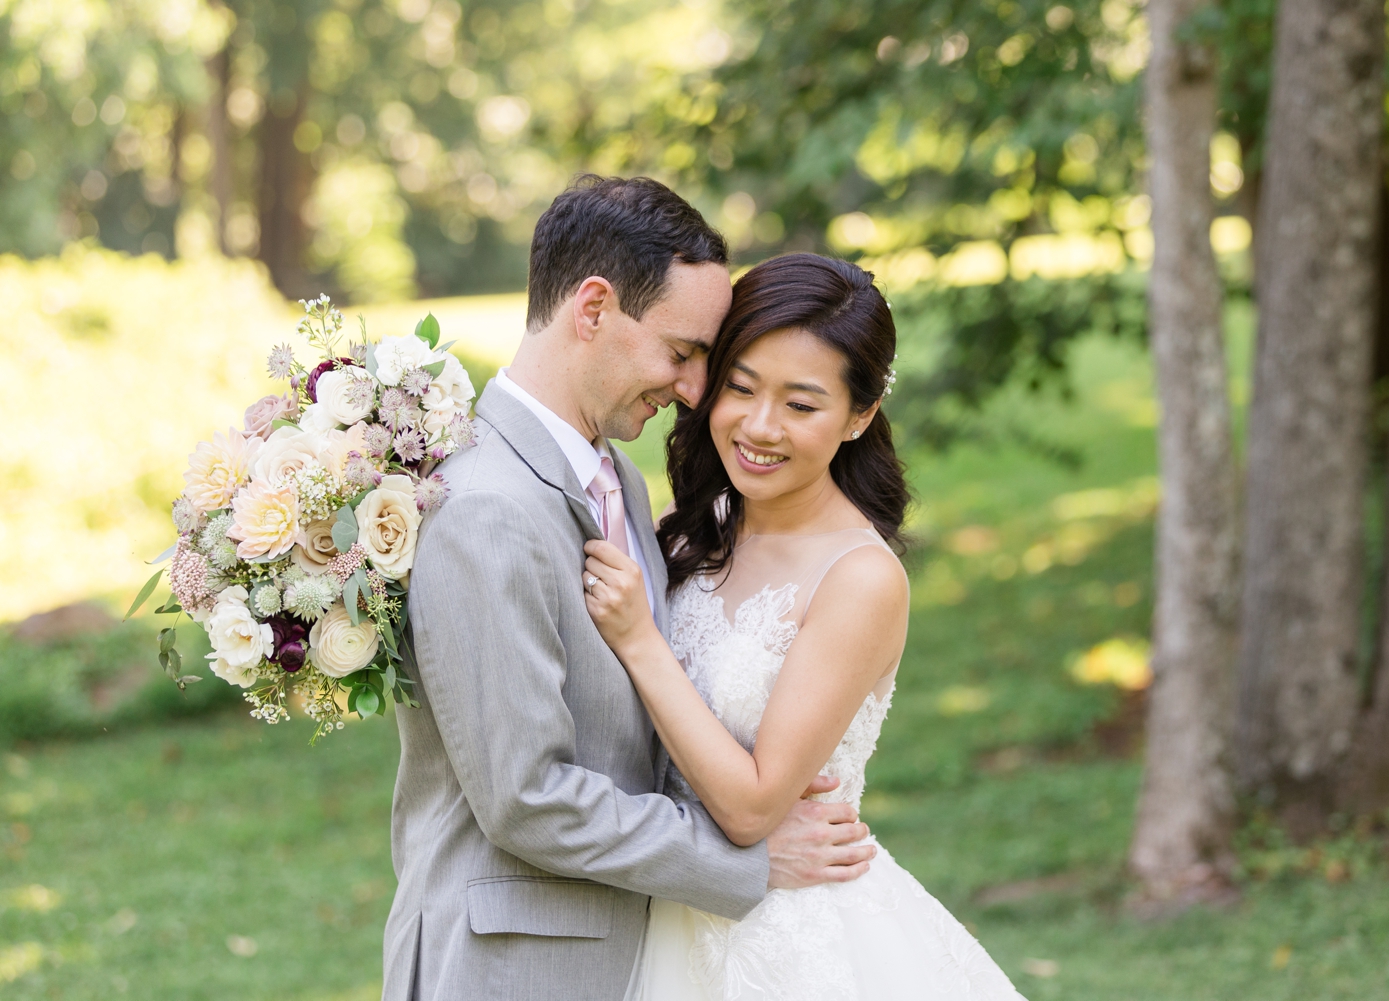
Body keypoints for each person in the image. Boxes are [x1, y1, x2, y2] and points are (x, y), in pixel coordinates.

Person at [384, 179, 876, 1001]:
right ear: (593, 309)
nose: (694, 391)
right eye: (682, 353)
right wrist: (743, 858)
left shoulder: (617, 479)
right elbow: (528, 797)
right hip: (513, 971)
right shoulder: (486, 510)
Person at [582, 253, 1026, 1000]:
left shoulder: (860, 578)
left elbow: (754, 805)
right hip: (671, 906)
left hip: (789, 938)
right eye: (741, 387)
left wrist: (639, 641)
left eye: (801, 404)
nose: (759, 427)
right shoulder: (692, 531)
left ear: (859, 415)